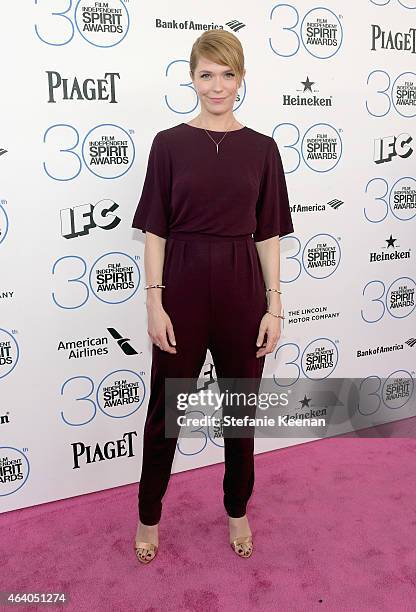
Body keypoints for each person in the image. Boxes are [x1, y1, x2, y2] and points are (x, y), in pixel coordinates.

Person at [131, 29, 294, 563]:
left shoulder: (263, 149)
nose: (217, 85)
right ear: (192, 77)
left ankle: (237, 509)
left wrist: (274, 304)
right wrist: (154, 303)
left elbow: (268, 233)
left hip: (243, 286)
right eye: (207, 74)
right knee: (166, 409)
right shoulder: (168, 144)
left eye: (227, 74)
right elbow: (155, 230)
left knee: (240, 412)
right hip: (181, 286)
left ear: (242, 77)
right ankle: (149, 514)